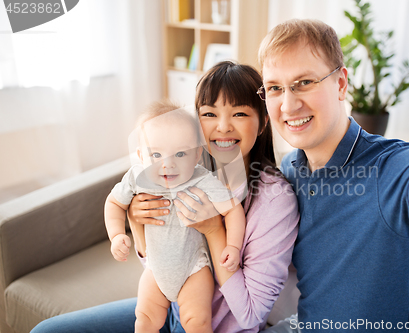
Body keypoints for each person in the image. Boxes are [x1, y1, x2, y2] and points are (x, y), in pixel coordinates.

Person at [257, 19, 409, 333]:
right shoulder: (289, 170)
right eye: (275, 88)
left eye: (305, 82)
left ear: (341, 84)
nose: (288, 104)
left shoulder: (396, 167)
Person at [30, 61, 299, 333]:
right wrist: (136, 224)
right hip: (168, 309)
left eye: (239, 114)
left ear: (263, 121)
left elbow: (251, 316)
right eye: (209, 114)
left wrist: (214, 230)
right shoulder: (183, 167)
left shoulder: (275, 202)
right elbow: (162, 261)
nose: (223, 126)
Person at [104, 102, 246, 332]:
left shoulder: (202, 178)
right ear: (141, 156)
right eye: (156, 154)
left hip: (194, 269)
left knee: (197, 321)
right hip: (155, 268)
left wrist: (233, 246)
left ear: (197, 154)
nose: (167, 164)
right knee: (144, 320)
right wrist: (117, 235)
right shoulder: (137, 177)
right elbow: (113, 203)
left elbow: (232, 210)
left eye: (180, 153)